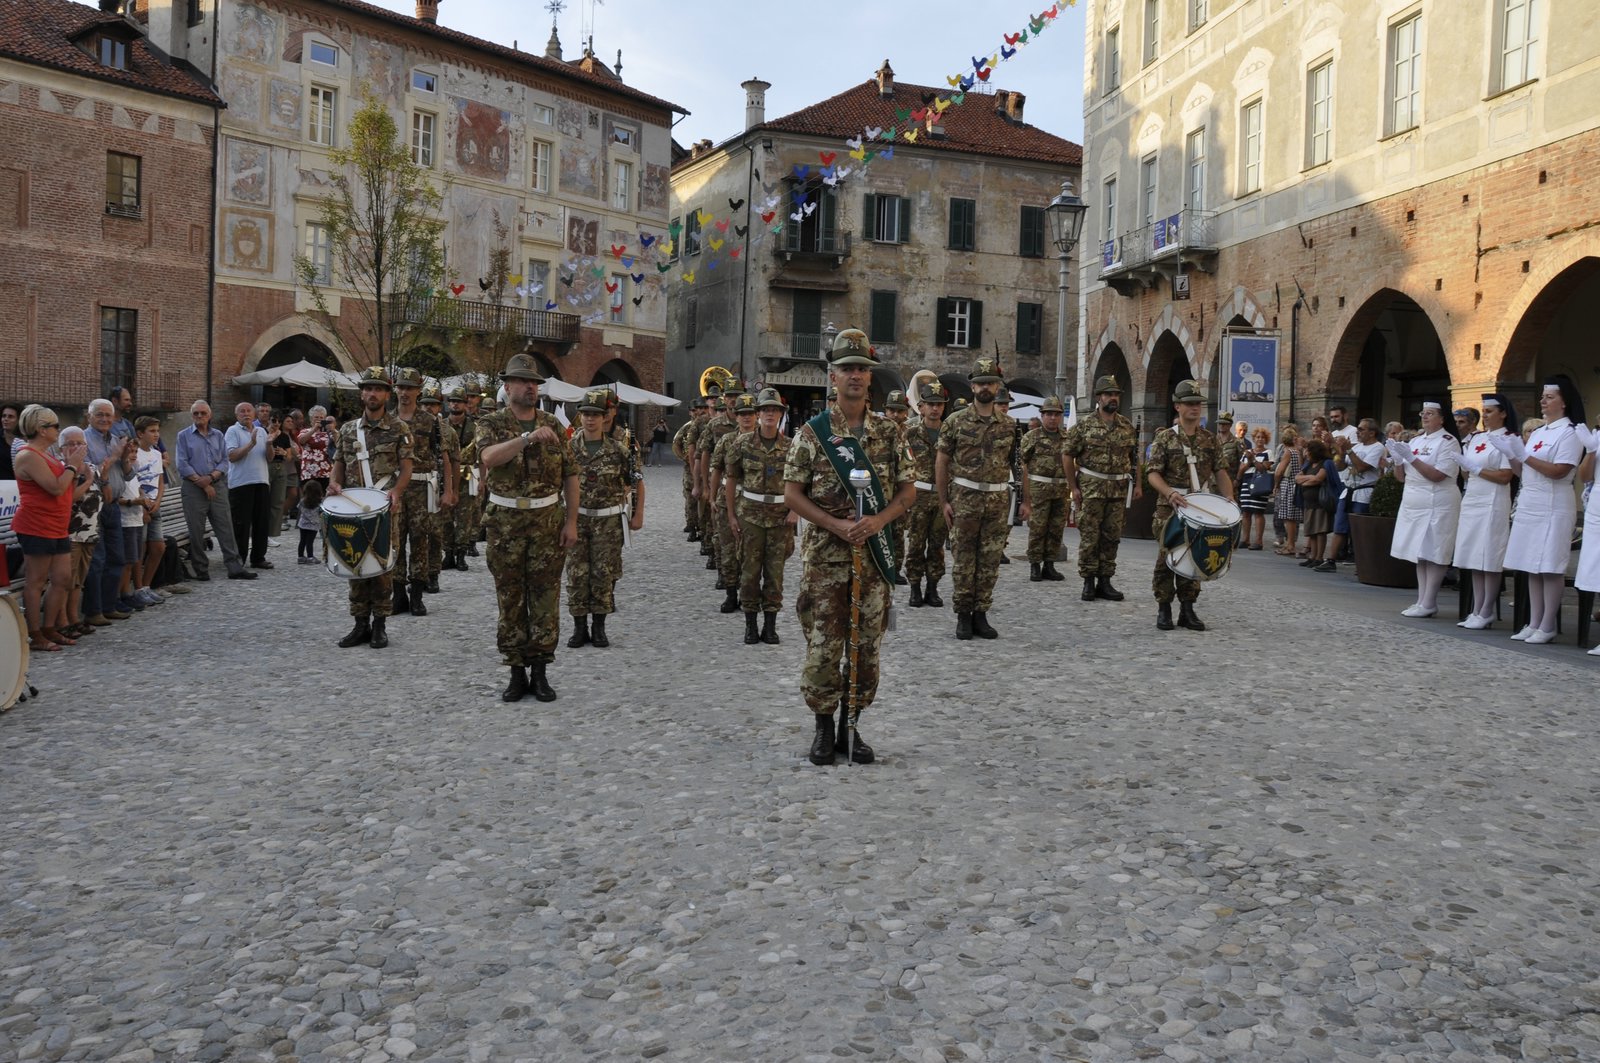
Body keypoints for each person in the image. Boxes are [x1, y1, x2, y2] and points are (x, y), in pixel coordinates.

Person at [783, 328, 915, 765]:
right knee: (824, 645)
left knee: (866, 647)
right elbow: (792, 493)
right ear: (832, 377)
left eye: (861, 368)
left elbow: (907, 491)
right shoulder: (812, 433)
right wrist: (834, 524)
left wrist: (878, 520)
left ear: (870, 377)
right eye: (846, 369)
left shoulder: (890, 433)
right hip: (825, 559)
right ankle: (823, 727)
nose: (855, 375)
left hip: (873, 560)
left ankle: (851, 727)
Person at [476, 352, 578, 702]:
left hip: (547, 524)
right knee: (511, 598)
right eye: (522, 381)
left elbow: (571, 475)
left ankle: (541, 671)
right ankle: (516, 672)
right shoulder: (491, 423)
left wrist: (572, 523)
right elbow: (488, 458)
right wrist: (527, 439)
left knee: (546, 597)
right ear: (507, 386)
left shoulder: (554, 423)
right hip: (505, 526)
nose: (530, 388)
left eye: (534, 382)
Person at [1496, 376, 1586, 644]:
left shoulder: (1570, 432)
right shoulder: (1538, 432)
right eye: (1543, 397)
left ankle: (1548, 625)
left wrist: (1525, 456)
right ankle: (1534, 621)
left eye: (1549, 397)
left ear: (1564, 401)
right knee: (1530, 565)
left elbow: (1560, 471)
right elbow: (1523, 472)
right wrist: (1513, 455)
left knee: (1549, 566)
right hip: (1531, 501)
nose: (1543, 401)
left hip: (1553, 503)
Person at [330, 367, 414, 650]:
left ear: (387, 394)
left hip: (384, 508)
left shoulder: (399, 429)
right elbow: (339, 464)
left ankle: (380, 624)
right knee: (353, 561)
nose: (372, 394)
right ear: (362, 393)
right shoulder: (348, 429)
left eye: (378, 389)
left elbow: (406, 468)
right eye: (368, 388)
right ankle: (359, 624)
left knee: (382, 565)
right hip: (353, 509)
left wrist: (397, 492)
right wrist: (334, 484)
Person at [936, 358, 1019, 640]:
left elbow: (1013, 464)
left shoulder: (1009, 425)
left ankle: (981, 614)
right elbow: (942, 461)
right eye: (981, 382)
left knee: (990, 560)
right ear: (972, 386)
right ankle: (963, 615)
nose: (985, 387)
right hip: (965, 498)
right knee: (963, 560)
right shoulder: (955, 421)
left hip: (996, 500)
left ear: (997, 386)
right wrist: (943, 500)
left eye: (990, 382)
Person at [1146, 381, 1234, 631]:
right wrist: (1169, 492)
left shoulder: (1210, 439)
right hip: (1170, 507)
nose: (1195, 408)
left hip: (1200, 505)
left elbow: (1220, 471)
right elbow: (1152, 473)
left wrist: (1230, 501)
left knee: (1196, 556)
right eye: (1189, 403)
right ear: (1178, 407)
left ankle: (1187, 609)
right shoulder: (1165, 438)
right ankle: (1164, 608)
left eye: (1198, 403)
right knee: (1168, 558)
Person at [566, 389, 641, 649]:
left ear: (605, 417)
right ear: (580, 417)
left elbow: (636, 481)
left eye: (595, 415)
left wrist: (638, 515)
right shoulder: (568, 448)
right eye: (586, 414)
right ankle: (578, 628)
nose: (590, 420)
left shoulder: (618, 450)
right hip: (577, 519)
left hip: (608, 524)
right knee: (577, 574)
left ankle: (599, 627)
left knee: (603, 574)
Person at [12, 405, 85, 649]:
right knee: (37, 580)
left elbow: (66, 489)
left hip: (56, 524)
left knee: (62, 578)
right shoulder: (28, 455)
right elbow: (54, 487)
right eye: (54, 426)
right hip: (36, 524)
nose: (58, 430)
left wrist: (73, 469)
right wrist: (72, 466)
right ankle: (35, 634)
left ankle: (49, 627)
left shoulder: (48, 455)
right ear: (41, 430)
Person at [1062, 375, 1140, 602]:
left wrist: (1137, 484)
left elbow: (1133, 456)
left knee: (1112, 537)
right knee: (1090, 536)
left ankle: (1106, 580)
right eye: (1108, 394)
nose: (1113, 398)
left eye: (1115, 394)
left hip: (1117, 490)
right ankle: (1088, 581)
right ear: (1099, 398)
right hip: (1091, 489)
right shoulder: (1084, 426)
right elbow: (1067, 456)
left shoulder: (1126, 425)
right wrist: (1073, 487)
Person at [725, 389, 793, 644]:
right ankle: (751, 624)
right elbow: (731, 480)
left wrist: (796, 511)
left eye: (774, 410)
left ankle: (771, 626)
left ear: (780, 415)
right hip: (750, 517)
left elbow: (801, 482)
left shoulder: (790, 446)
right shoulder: (741, 444)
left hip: (780, 519)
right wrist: (731, 515)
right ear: (758, 414)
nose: (769, 414)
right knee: (749, 572)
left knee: (775, 574)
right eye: (765, 410)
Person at [1386, 401, 1463, 618]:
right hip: (1414, 501)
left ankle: (1429, 601)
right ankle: (1422, 599)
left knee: (1435, 550)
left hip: (1437, 500)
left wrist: (1412, 458)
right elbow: (1401, 478)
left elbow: (1438, 475)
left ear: (1441, 418)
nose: (1425, 417)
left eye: (1430, 413)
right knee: (1420, 552)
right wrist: (1399, 461)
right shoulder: (1417, 440)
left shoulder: (1448, 442)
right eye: (1423, 413)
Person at [1454, 395, 1519, 628]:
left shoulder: (1508, 439)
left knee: (1489, 555)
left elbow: (1505, 476)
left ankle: (1487, 609)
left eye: (1490, 411)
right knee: (1473, 554)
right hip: (1473, 498)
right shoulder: (1478, 438)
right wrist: (1465, 465)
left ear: (1503, 413)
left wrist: (1476, 469)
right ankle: (1476, 608)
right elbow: (1467, 474)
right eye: (1484, 411)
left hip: (1493, 500)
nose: (1486, 416)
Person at [175, 401, 254, 582]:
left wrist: (210, 479)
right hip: (193, 488)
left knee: (225, 527)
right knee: (196, 530)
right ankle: (201, 570)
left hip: (216, 485)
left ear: (209, 415)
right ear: (192, 415)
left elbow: (225, 462)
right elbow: (182, 464)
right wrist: (202, 483)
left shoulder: (218, 435)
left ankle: (234, 567)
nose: (200, 417)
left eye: (203, 413)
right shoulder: (183, 436)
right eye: (196, 414)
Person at [902, 380, 949, 608]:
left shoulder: (949, 433)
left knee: (937, 545)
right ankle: (914, 586)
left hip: (941, 497)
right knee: (916, 543)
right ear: (920, 407)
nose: (935, 408)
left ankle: (932, 587)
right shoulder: (910, 434)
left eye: (939, 404)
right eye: (930, 404)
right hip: (918, 496)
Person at [1018, 396, 1071, 583]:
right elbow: (1022, 465)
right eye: (1048, 414)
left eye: (1056, 415)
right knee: (1038, 528)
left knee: (1056, 528)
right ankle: (1035, 565)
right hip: (1038, 489)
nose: (1052, 418)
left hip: (1060, 489)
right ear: (1042, 416)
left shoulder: (1067, 438)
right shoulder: (1031, 437)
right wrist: (1025, 496)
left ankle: (1050, 564)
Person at [1321, 418, 1384, 570]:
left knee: (1360, 530)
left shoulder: (1377, 448)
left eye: (1362, 429)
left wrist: (1349, 450)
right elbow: (1341, 467)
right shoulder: (1357, 446)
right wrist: (1342, 452)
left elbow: (1362, 467)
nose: (1358, 431)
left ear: (1372, 432)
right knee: (1340, 527)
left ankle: (1362, 562)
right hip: (1348, 490)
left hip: (1364, 492)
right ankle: (1331, 560)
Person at [225, 402, 272, 571]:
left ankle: (258, 557)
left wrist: (269, 444)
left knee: (262, 523)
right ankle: (239, 559)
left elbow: (269, 458)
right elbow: (231, 456)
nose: (246, 414)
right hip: (241, 483)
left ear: (254, 414)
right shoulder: (232, 431)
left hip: (261, 481)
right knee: (241, 524)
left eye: (248, 411)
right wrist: (251, 444)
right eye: (242, 411)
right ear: (236, 415)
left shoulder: (261, 431)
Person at [128, 416, 167, 607]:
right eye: (152, 431)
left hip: (154, 505)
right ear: (140, 433)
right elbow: (133, 481)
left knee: (158, 547)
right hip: (139, 506)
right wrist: (143, 505)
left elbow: (160, 481)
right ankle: (138, 588)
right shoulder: (134, 454)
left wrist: (158, 501)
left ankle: (147, 585)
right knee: (140, 548)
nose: (156, 435)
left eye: (157, 431)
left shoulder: (157, 454)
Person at [1572, 419, 1600, 655]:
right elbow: (1586, 476)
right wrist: (1591, 450)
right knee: (1595, 569)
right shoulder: (1596, 436)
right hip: (1597, 506)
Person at [882, 389, 912, 583]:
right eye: (891, 410)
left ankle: (896, 569)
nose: (895, 414)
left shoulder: (912, 433)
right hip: (883, 490)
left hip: (901, 491)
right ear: (885, 411)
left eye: (899, 411)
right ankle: (881, 566)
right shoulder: (879, 431)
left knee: (898, 534)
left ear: (906, 412)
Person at [1293, 438, 1338, 569]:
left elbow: (1318, 479)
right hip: (1308, 503)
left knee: (1320, 531)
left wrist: (1306, 481)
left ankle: (1319, 557)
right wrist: (1308, 478)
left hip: (1320, 503)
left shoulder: (1326, 463)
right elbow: (1297, 478)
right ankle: (1312, 556)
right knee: (1311, 531)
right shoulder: (1308, 464)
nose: (1306, 453)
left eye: (1308, 451)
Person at [1237, 426, 1275, 551]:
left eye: (1262, 437)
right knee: (1246, 512)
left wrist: (1252, 459)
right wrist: (1248, 461)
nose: (1260, 440)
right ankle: (1245, 539)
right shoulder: (1247, 452)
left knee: (1258, 512)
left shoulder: (1268, 453)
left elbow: (1263, 468)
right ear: (1254, 438)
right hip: (1246, 482)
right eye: (1258, 437)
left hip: (1260, 483)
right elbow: (1241, 469)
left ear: (1266, 439)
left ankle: (1258, 541)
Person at [1273, 425, 1304, 555]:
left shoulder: (1288, 452)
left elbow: (1279, 471)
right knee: (1292, 517)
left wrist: (1276, 485)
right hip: (1296, 485)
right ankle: (1290, 544)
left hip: (1288, 484)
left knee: (1288, 517)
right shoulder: (1298, 452)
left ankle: (1290, 545)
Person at [266, 412, 294, 544]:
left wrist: (284, 453)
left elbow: (289, 457)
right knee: (264, 501)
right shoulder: (263, 433)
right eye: (274, 420)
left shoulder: (284, 436)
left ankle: (271, 534)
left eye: (279, 421)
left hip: (280, 467)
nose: (276, 423)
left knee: (278, 501)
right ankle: (258, 533)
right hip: (266, 466)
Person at [297, 405, 335, 490]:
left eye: (321, 417)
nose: (319, 419)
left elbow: (338, 443)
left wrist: (333, 430)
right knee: (310, 498)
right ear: (311, 419)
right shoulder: (305, 431)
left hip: (326, 470)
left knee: (326, 498)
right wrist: (314, 429)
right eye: (316, 417)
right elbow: (301, 441)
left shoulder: (329, 433)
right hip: (309, 471)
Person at [297, 479, 324, 565]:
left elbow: (299, 509)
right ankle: (310, 557)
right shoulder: (320, 503)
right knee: (310, 542)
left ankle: (300, 557)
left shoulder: (302, 501)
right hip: (313, 525)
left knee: (302, 541)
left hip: (303, 524)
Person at [0, 401, 22, 481]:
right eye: (4, 416)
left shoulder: (25, 440)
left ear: (19, 420)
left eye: (10, 416)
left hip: (18, 486)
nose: (6, 419)